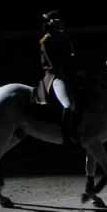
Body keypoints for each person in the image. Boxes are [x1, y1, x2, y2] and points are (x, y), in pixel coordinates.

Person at [37, 10, 81, 145]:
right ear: (49, 23)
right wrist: (66, 73)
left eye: (60, 21)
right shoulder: (46, 40)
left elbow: (72, 56)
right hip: (56, 76)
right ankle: (66, 135)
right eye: (55, 21)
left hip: (69, 75)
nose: (59, 23)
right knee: (68, 105)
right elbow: (54, 64)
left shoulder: (64, 37)